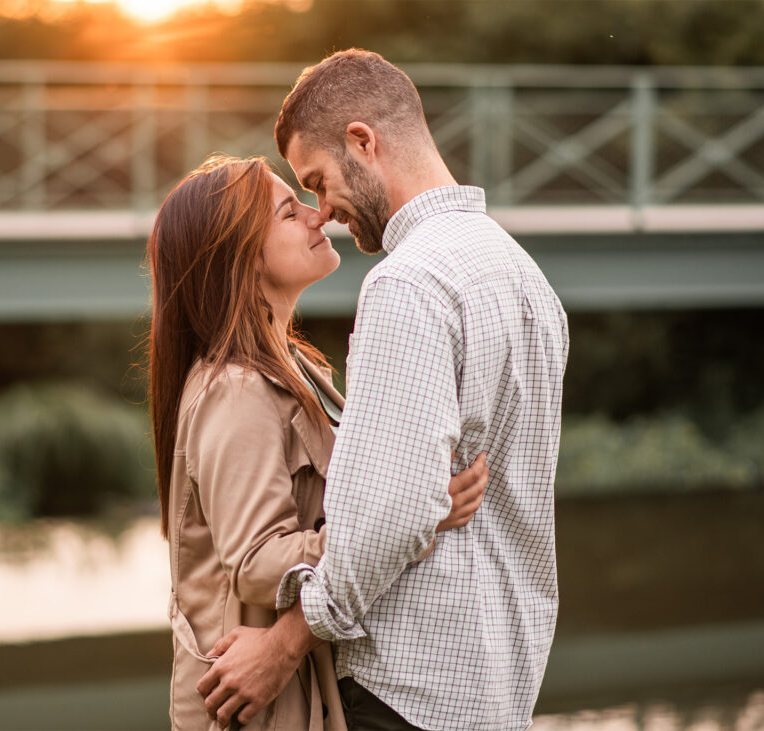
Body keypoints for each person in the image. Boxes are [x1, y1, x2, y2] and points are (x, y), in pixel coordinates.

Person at [197, 50, 570, 731]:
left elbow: (390, 510)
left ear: (363, 142)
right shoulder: (526, 279)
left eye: (317, 180)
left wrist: (282, 645)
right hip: (503, 685)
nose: (322, 210)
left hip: (409, 693)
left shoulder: (409, 284)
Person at [146, 154, 489, 730]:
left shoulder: (297, 366)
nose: (318, 214)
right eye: (289, 210)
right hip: (253, 710)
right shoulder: (236, 388)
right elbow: (258, 563)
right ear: (240, 258)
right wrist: (411, 517)